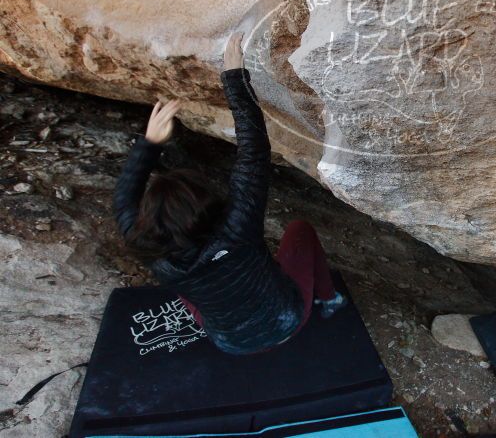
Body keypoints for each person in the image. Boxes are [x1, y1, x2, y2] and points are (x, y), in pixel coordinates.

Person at [113, 32, 346, 355]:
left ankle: (312, 302)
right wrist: (234, 77)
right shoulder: (238, 227)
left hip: (228, 342)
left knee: (188, 287)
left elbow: (123, 199)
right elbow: (253, 151)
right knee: (299, 231)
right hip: (287, 320)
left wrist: (149, 144)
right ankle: (329, 298)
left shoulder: (150, 251)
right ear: (204, 207)